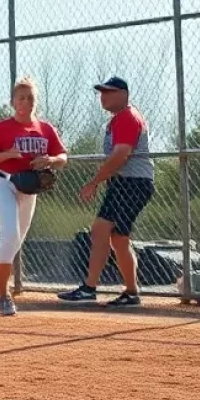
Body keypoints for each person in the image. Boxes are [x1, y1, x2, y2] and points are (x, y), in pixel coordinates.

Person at [0, 77, 68, 316]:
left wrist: (51, 160)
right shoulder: (2, 127)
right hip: (2, 183)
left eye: (30, 97)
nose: (26, 101)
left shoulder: (45, 128)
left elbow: (63, 157)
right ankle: (4, 296)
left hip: (28, 190)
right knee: (10, 237)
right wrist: (8, 153)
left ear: (36, 101)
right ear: (13, 101)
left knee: (11, 245)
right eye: (21, 97)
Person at [58, 77, 155, 308]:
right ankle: (131, 293)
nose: (103, 96)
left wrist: (94, 182)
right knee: (119, 239)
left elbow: (121, 155)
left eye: (109, 92)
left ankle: (89, 288)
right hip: (127, 184)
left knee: (101, 228)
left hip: (132, 183)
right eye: (101, 92)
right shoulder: (117, 120)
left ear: (124, 94)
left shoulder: (127, 118)